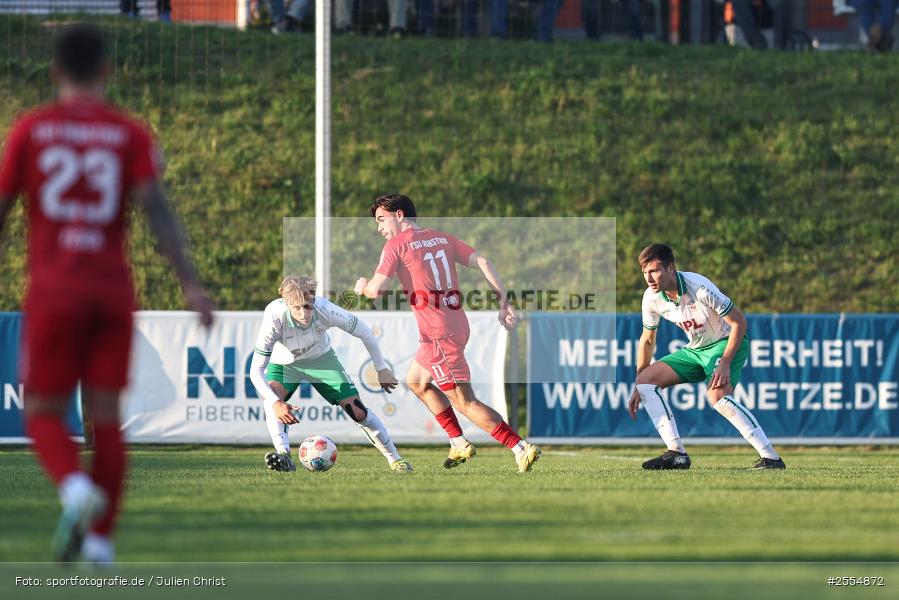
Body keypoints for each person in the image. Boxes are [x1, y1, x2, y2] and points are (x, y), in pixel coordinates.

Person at [0, 24, 214, 564]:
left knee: (43, 413)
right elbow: (157, 209)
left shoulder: (31, 130)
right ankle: (100, 543)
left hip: (54, 291)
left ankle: (74, 488)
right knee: (107, 416)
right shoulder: (128, 133)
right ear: (105, 71)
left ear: (54, 73)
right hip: (112, 291)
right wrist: (189, 281)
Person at [355, 194, 540, 473]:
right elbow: (484, 262)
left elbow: (376, 291)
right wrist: (504, 302)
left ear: (400, 215)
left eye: (382, 219)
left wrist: (362, 287)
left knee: (464, 401)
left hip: (438, 331)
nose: (379, 227)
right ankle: (457, 442)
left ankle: (519, 446)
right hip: (453, 326)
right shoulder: (443, 238)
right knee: (417, 381)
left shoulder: (396, 245)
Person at [627, 244, 785, 470]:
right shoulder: (651, 297)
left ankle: (771, 458)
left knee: (717, 397)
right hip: (696, 350)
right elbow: (647, 340)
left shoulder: (699, 287)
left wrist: (725, 363)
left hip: (727, 342)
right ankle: (676, 454)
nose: (648, 277)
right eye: (644, 272)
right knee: (645, 382)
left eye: (654, 270)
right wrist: (638, 384)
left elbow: (739, 322)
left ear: (671, 268)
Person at [250, 275, 413, 473]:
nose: (304, 313)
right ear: (286, 303)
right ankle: (283, 455)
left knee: (358, 412)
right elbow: (255, 371)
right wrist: (275, 403)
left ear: (314, 300)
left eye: (308, 306)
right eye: (297, 307)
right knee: (272, 395)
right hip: (285, 363)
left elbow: (365, 332)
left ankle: (395, 460)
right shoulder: (274, 317)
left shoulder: (325, 309)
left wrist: (381, 368)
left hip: (322, 361)